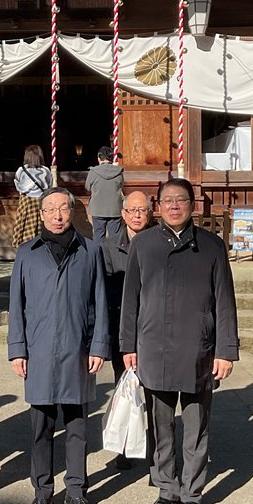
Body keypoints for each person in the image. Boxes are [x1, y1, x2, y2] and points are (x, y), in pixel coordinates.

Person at [120, 178, 239, 504]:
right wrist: (128, 345)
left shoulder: (211, 246)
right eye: (168, 200)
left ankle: (192, 495)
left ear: (192, 205)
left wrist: (226, 350)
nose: (174, 206)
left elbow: (225, 301)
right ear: (158, 206)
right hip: (153, 347)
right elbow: (130, 299)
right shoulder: (143, 245)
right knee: (160, 427)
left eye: (181, 200)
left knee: (196, 427)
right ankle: (166, 490)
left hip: (198, 349)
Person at [8, 187, 110, 504]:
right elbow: (17, 306)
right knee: (41, 427)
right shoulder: (28, 253)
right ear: (41, 215)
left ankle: (76, 492)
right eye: (50, 209)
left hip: (77, 350)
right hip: (38, 352)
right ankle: (42, 493)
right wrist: (17, 350)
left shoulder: (90, 250)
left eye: (63, 208)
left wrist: (98, 346)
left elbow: (99, 301)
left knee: (77, 426)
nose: (57, 215)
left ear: (72, 211)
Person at [101, 190, 153, 469]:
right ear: (123, 214)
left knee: (155, 392)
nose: (137, 215)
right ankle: (123, 447)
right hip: (123, 327)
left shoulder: (158, 242)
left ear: (150, 213)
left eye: (142, 210)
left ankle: (155, 448)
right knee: (124, 389)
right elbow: (107, 290)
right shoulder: (109, 247)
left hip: (154, 328)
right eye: (132, 210)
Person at [12, 144, 52, 248]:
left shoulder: (21, 170)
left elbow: (18, 185)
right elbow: (49, 185)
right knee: (41, 225)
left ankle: (25, 246)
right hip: (41, 201)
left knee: (25, 225)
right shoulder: (45, 170)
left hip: (26, 201)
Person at [85, 145, 124, 243]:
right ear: (112, 158)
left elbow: (87, 187)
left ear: (99, 158)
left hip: (98, 208)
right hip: (114, 208)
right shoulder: (119, 171)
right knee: (115, 237)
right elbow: (121, 186)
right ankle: (114, 253)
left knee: (99, 236)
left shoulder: (93, 171)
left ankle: (99, 253)